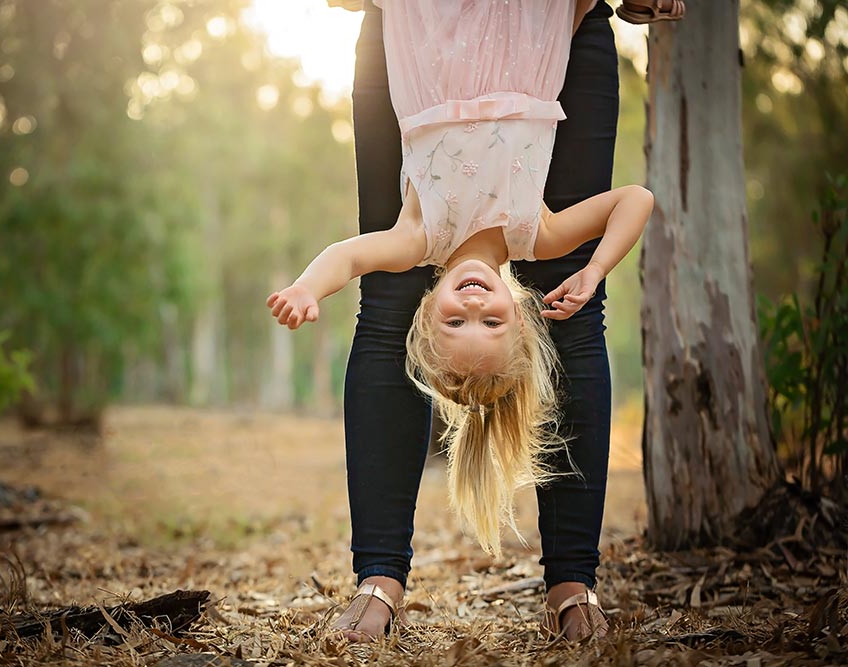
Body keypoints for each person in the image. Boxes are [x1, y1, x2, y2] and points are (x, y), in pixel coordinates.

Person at [269, 0, 660, 642]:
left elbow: (348, 256)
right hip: (532, 34)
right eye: (490, 324)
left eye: (456, 325)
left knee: (379, 300)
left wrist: (307, 289)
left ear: (428, 316)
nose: (474, 307)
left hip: (425, 43)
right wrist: (590, 275)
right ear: (521, 318)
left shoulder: (417, 238)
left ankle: (567, 581)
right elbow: (636, 201)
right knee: (582, 319)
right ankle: (384, 577)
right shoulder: (539, 233)